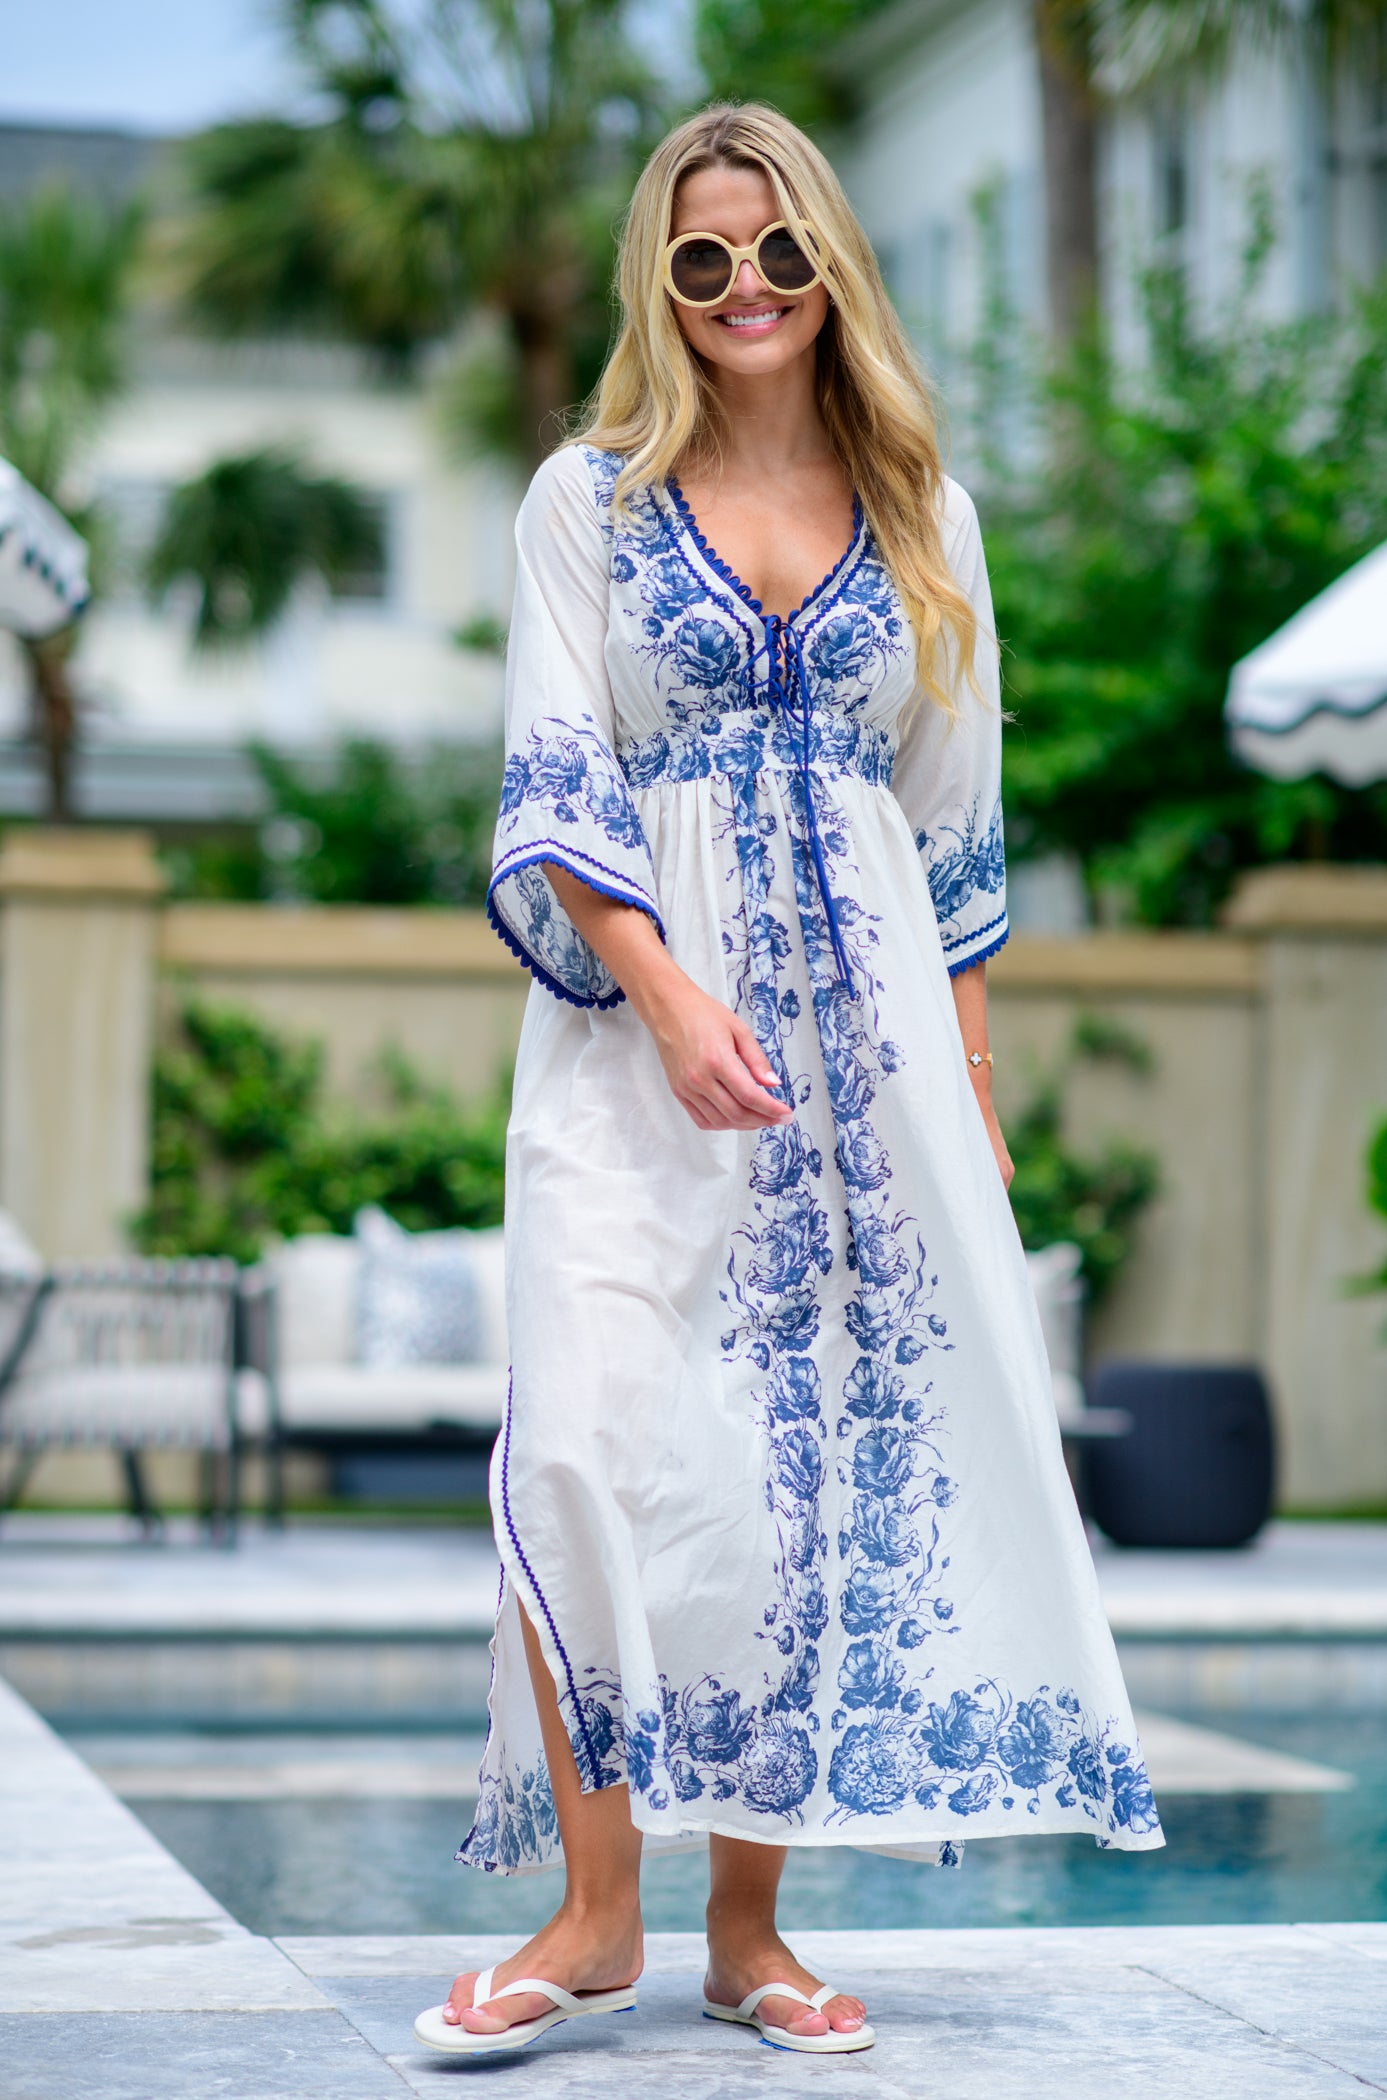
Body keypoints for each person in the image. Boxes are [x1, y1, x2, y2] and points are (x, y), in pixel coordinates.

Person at [414, 100, 1162, 2063]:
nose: (743, 285)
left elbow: (958, 836)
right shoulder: (587, 500)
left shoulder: (928, 516)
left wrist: (970, 1104)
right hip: (627, 1042)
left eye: (776, 250)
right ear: (659, 284)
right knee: (578, 1437)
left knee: (785, 1482)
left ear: (830, 263)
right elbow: (556, 771)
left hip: (864, 1070)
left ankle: (746, 1932)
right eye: (701, 257)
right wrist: (666, 997)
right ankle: (593, 1914)